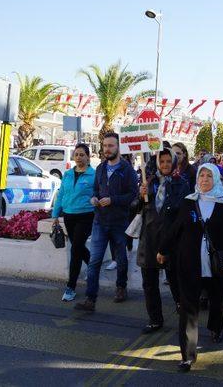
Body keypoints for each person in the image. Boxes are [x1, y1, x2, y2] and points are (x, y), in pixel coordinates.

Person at [159, 163, 223, 372]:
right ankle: (187, 355)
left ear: (216, 179)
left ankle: (216, 327)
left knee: (218, 301)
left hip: (217, 265)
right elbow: (176, 228)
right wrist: (163, 249)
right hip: (190, 262)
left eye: (208, 176)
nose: (204, 180)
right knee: (188, 308)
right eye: (201, 176)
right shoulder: (189, 202)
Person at [75, 133, 138, 312]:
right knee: (94, 261)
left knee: (121, 258)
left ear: (118, 147)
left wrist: (113, 200)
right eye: (104, 146)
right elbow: (96, 189)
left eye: (111, 146)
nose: (107, 149)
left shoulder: (127, 170)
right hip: (100, 221)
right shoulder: (101, 168)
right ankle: (90, 299)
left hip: (119, 222)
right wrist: (94, 198)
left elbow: (132, 195)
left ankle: (121, 287)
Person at [137, 148, 190, 334]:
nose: (165, 165)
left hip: (171, 241)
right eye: (162, 161)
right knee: (149, 283)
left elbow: (182, 211)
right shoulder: (148, 181)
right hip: (149, 239)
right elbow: (135, 207)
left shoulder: (181, 183)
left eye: (169, 161)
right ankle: (154, 319)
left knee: (176, 282)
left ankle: (184, 315)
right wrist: (141, 193)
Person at [52, 143, 96, 302]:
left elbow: (98, 194)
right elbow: (61, 194)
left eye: (82, 154)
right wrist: (55, 214)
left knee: (76, 249)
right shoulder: (68, 174)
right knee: (78, 247)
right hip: (69, 216)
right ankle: (94, 267)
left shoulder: (94, 175)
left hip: (86, 216)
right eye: (76, 154)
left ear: (88, 157)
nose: (78, 157)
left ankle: (70, 287)